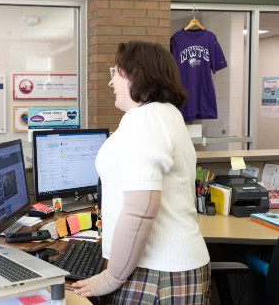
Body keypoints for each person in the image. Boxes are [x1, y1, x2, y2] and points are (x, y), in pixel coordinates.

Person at [72, 41, 211, 304]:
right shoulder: (167, 115)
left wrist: (111, 278)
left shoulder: (144, 120)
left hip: (158, 274)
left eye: (116, 72)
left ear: (135, 75)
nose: (111, 82)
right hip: (171, 270)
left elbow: (141, 208)